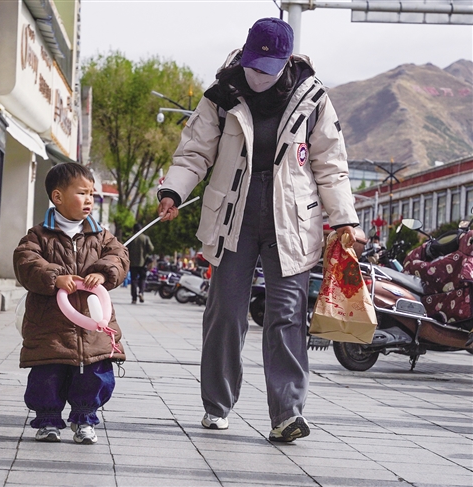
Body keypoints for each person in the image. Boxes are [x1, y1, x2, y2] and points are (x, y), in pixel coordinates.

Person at [157, 18, 358, 442]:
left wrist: (343, 219)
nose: (258, 76)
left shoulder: (313, 98)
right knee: (225, 311)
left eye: (268, 69)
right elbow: (193, 152)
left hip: (292, 219)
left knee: (286, 314)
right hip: (234, 214)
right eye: (253, 66)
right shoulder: (221, 94)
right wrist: (173, 191)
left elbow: (331, 165)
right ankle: (217, 405)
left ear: (286, 62)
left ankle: (287, 413)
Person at [13, 163, 129, 444]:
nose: (89, 199)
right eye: (82, 193)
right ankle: (48, 419)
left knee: (94, 374)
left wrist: (102, 272)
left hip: (93, 325)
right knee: (47, 374)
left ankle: (85, 418)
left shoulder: (101, 235)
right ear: (58, 197)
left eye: (92, 194)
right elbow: (25, 261)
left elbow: (119, 256)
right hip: (50, 327)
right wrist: (55, 277)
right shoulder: (38, 235)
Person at [127, 222, 155, 303]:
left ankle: (134, 298)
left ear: (133, 229)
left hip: (133, 263)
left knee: (133, 280)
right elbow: (151, 249)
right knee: (142, 279)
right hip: (143, 263)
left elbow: (126, 249)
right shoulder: (145, 238)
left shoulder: (131, 238)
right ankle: (141, 293)